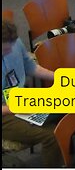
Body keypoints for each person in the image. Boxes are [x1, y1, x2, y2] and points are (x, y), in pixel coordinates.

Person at [2, 20, 62, 167]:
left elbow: (31, 68)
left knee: (67, 107)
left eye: (11, 47)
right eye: (4, 51)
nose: (9, 52)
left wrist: (60, 77)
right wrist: (15, 107)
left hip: (22, 99)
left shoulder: (15, 43)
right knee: (52, 136)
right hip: (5, 114)